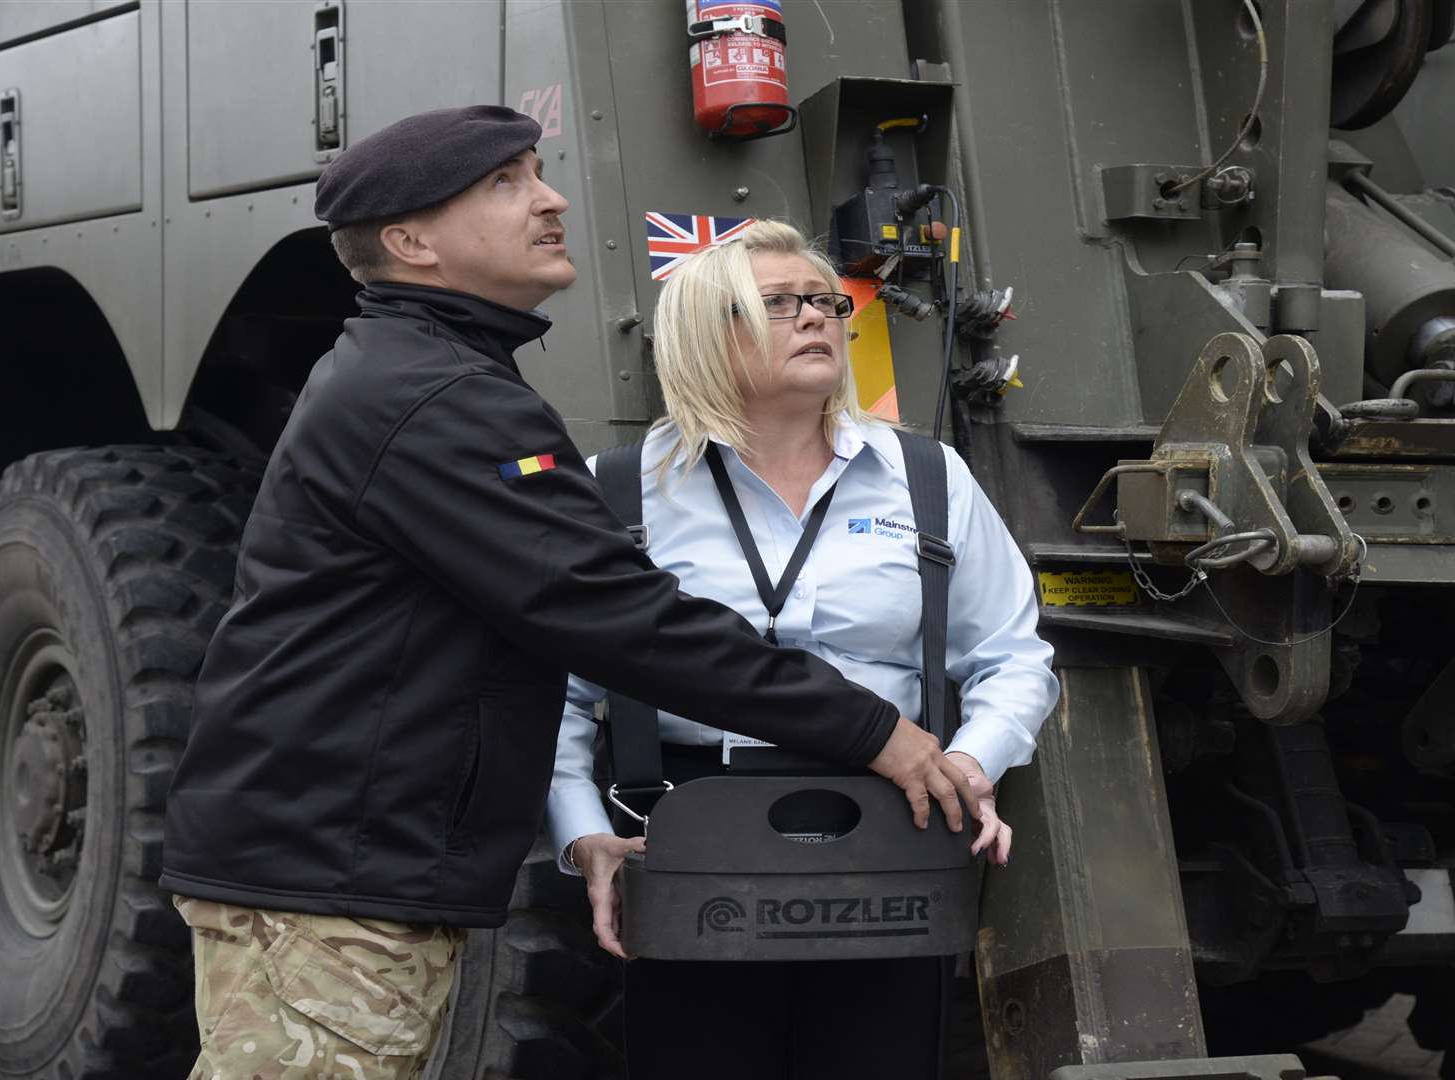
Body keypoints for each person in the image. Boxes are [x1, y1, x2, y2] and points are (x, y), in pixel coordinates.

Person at [159, 108, 977, 1080]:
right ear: (412, 241)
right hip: (327, 872)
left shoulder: (436, 378)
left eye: (538, 172)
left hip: (341, 859)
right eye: (504, 185)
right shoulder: (435, 401)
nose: (549, 198)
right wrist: (873, 730)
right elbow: (620, 615)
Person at [549, 219, 1059, 1080]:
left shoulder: (928, 478)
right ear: (706, 334)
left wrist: (969, 764)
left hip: (894, 828)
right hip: (682, 834)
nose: (818, 318)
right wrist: (584, 835)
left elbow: (1013, 656)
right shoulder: (620, 489)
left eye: (825, 302)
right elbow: (558, 693)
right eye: (778, 305)